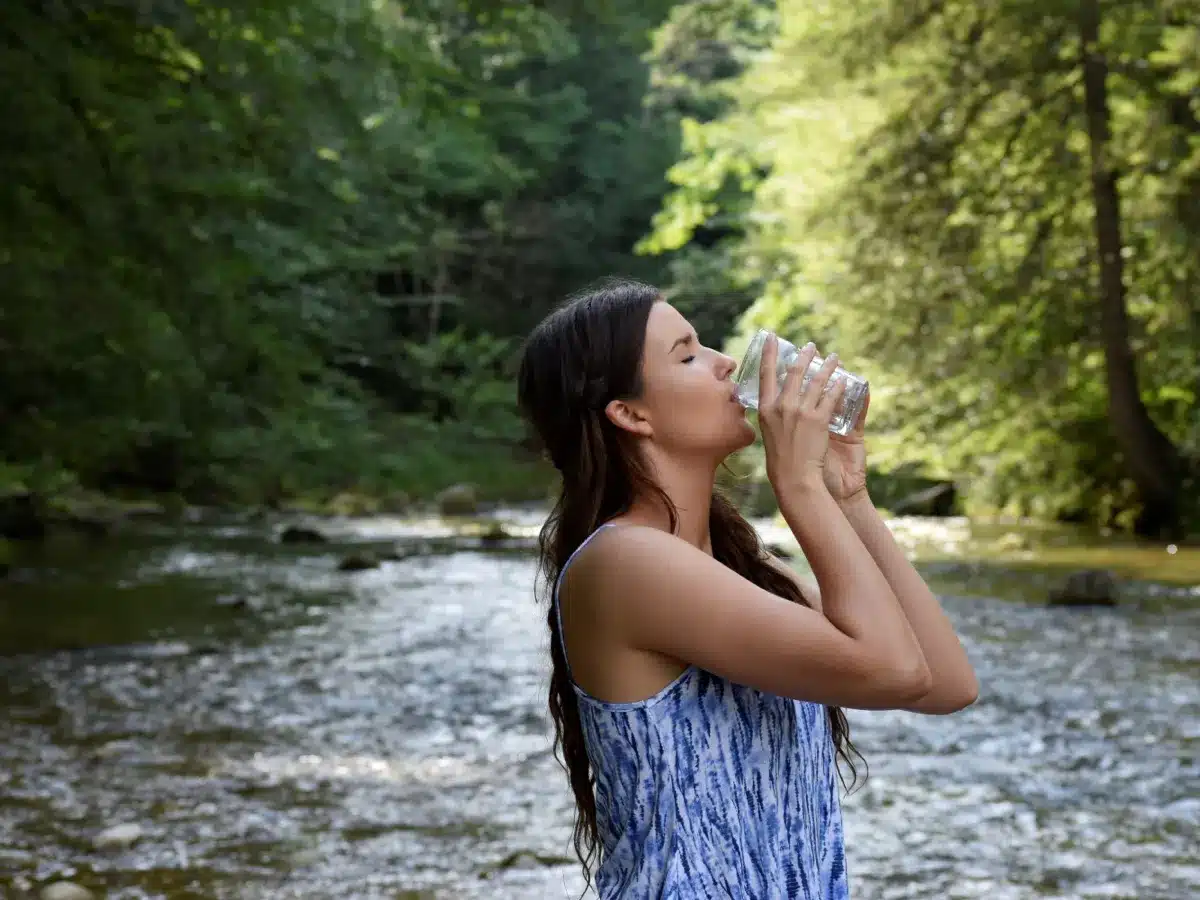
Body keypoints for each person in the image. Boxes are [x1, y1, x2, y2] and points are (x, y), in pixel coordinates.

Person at [516, 278, 978, 899]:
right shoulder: (626, 563)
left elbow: (945, 682)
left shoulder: (737, 565)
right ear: (631, 414)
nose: (726, 364)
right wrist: (800, 487)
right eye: (687, 355)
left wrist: (848, 495)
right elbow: (893, 671)